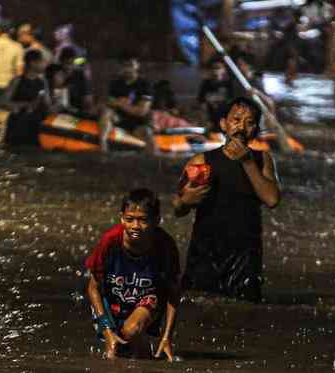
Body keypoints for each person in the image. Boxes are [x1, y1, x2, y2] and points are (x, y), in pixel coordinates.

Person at [173, 97, 280, 303]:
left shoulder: (261, 159)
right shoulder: (203, 161)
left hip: (245, 255)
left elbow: (272, 199)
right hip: (206, 251)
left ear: (256, 130)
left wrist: (247, 162)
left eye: (249, 123)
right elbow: (177, 208)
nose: (241, 126)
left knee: (246, 308)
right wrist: (186, 200)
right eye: (236, 119)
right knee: (199, 305)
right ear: (223, 124)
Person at [85, 188, 181, 361]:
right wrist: (106, 330)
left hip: (148, 301)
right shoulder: (110, 242)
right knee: (114, 355)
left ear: (156, 220)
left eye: (143, 220)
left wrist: (167, 337)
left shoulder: (165, 246)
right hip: (113, 304)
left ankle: (147, 355)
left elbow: (174, 292)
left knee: (132, 330)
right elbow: (93, 288)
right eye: (129, 219)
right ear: (122, 217)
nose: (135, 226)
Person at [100, 55, 153, 153]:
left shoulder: (144, 85)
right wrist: (120, 104)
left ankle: (155, 157)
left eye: (131, 65)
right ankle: (103, 145)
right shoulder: (115, 84)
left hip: (137, 123)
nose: (128, 69)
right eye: (125, 66)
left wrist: (121, 104)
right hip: (119, 119)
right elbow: (109, 102)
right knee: (106, 112)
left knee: (147, 133)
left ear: (137, 65)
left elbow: (142, 112)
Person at [0, 49, 50, 146]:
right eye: (42, 61)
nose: (45, 64)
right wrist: (25, 104)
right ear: (32, 63)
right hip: (18, 126)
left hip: (36, 126)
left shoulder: (43, 82)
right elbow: (3, 102)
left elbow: (48, 105)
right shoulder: (17, 81)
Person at [197, 57, 235, 134]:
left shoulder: (230, 84)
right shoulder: (206, 84)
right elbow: (201, 103)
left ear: (224, 69)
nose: (215, 70)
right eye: (213, 68)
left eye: (218, 68)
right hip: (210, 121)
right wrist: (205, 120)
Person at [58, 46, 95, 118]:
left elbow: (87, 98)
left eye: (70, 63)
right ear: (61, 62)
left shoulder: (80, 75)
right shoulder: (56, 73)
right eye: (65, 63)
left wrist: (87, 105)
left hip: (77, 112)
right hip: (60, 111)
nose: (68, 67)